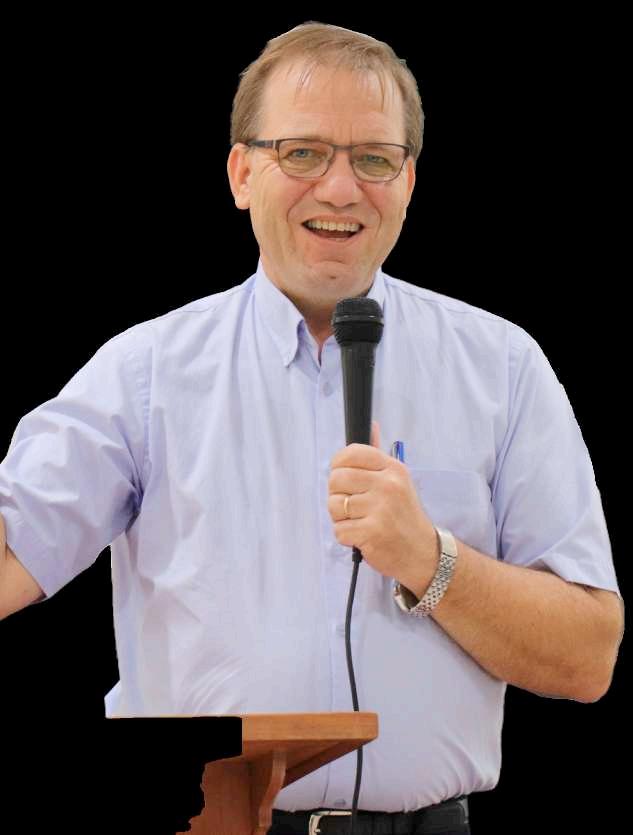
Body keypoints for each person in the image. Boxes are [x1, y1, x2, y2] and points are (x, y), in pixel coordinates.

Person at [0, 21, 624, 835]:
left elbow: (586, 656)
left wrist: (428, 559)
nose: (339, 189)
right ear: (241, 173)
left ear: (407, 181)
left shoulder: (502, 367)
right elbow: (14, 549)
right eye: (302, 153)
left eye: (373, 159)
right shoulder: (144, 374)